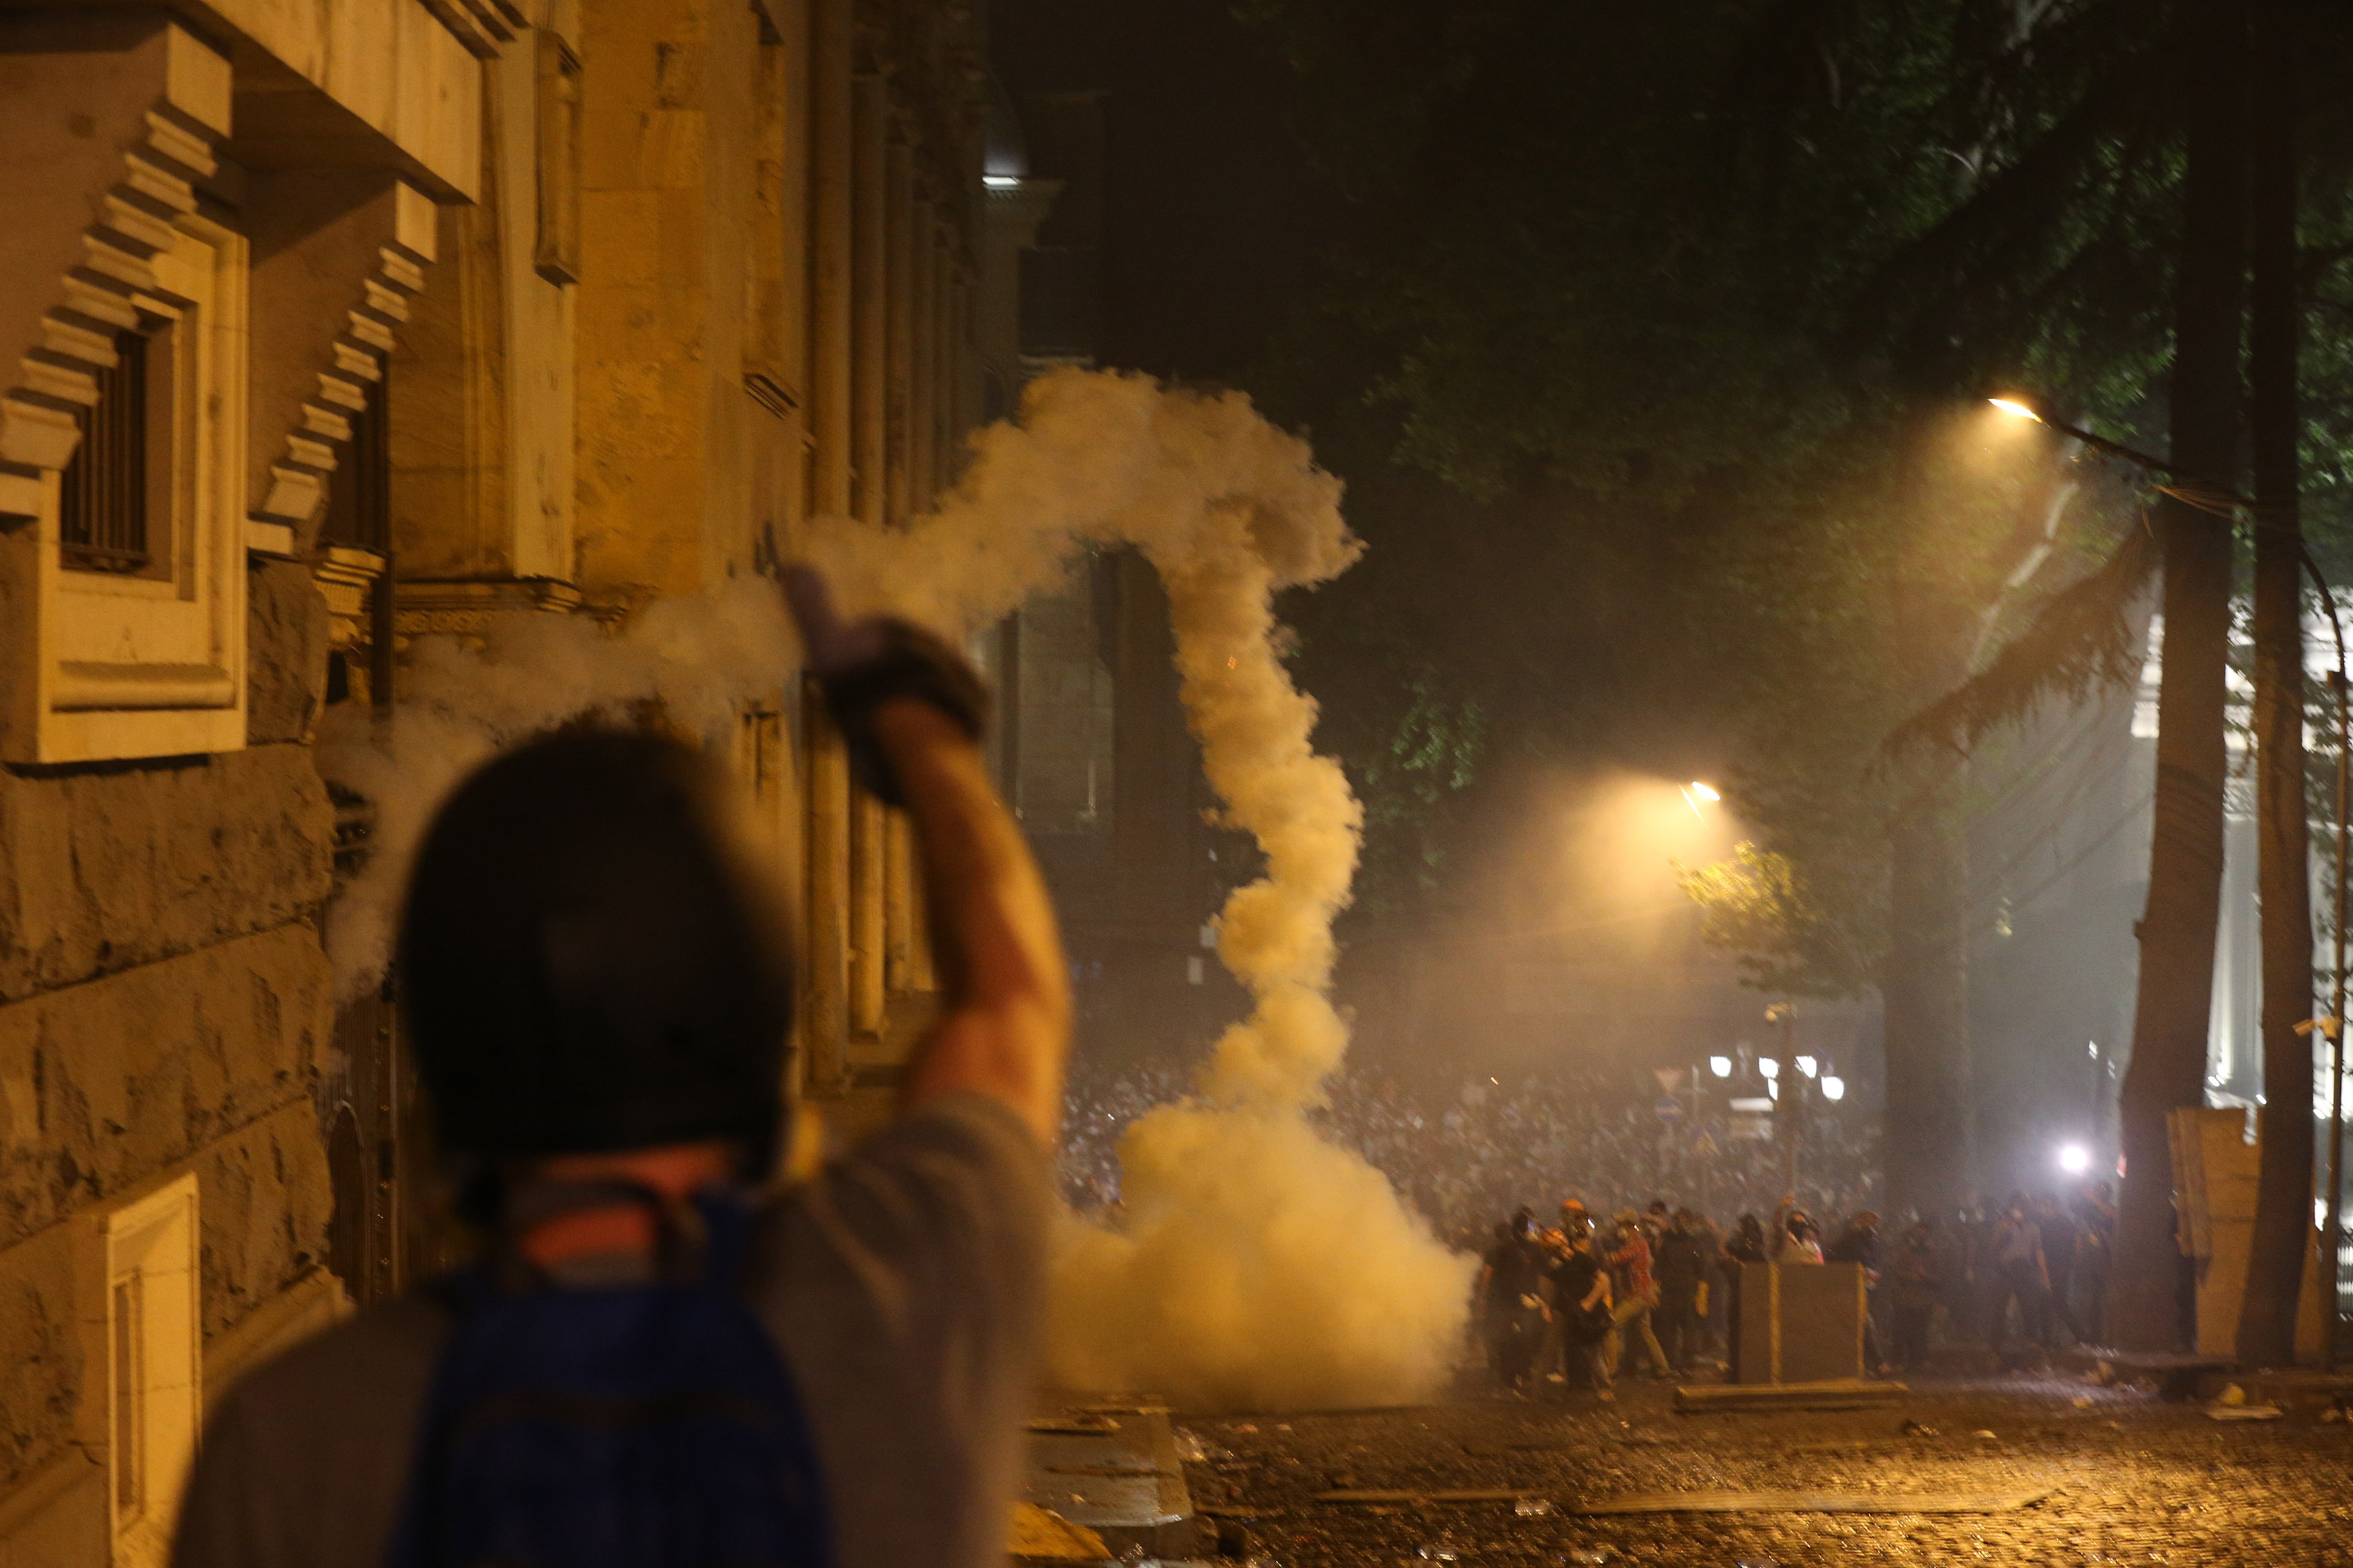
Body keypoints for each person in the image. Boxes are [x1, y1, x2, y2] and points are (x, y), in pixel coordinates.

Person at [172, 569, 1072, 1568]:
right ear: (754, 999)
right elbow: (1010, 1002)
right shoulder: (902, 1303)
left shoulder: (291, 1440)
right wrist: (920, 729)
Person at [1543, 1210, 1616, 1401]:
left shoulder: (1583, 1258)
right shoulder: (1558, 1266)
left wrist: (1591, 1302)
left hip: (1588, 1312)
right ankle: (1576, 1384)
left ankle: (1604, 1387)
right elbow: (1551, 1285)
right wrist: (1547, 1306)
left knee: (1593, 1352)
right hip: (1571, 1311)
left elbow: (1604, 1279)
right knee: (1570, 1349)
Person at [1475, 1210, 1550, 1393]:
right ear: (1521, 1228)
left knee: (1529, 1338)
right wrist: (1485, 1297)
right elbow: (1492, 1274)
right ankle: (1509, 1379)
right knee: (1510, 1340)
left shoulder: (1534, 1248)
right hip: (1508, 1302)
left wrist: (1541, 1300)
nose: (1533, 1230)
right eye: (1530, 1226)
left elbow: (1543, 1273)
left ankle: (1522, 1374)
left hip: (1529, 1302)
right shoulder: (1505, 1248)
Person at [1603, 1209, 1674, 1380]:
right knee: (1646, 1331)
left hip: (1639, 1296)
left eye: (1620, 1224)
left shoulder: (1636, 1242)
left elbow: (1617, 1259)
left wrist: (1601, 1255)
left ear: (1628, 1225)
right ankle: (1663, 1369)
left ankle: (1611, 1369)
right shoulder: (1637, 1242)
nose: (1618, 1227)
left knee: (1610, 1325)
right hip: (1644, 1294)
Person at [1989, 1198, 2051, 1358]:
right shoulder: (2005, 1224)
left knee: (2029, 1306)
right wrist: (2001, 1229)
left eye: (2022, 1207)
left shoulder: (2034, 1228)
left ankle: (2031, 1343)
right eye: (2016, 1206)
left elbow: (2038, 1251)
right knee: (2000, 1307)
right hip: (2006, 1269)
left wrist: (2044, 1274)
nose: (2019, 1210)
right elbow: (1993, 1245)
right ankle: (1995, 1346)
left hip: (2024, 1268)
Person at [1825, 1210, 1884, 1372]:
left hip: (1869, 1285)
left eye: (1874, 1220)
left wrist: (1874, 1272)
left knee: (1867, 1323)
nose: (1872, 1222)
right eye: (1868, 1219)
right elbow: (1837, 1257)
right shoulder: (1850, 1237)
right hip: (1850, 1285)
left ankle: (1870, 1363)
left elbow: (1875, 1260)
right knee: (1864, 1322)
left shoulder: (1874, 1239)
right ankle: (1877, 1362)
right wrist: (1859, 1271)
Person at [1651, 1208, 1706, 1374]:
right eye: (1679, 1220)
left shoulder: (1694, 1243)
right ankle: (1672, 1362)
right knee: (1669, 1329)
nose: (1681, 1223)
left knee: (1688, 1329)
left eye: (1684, 1220)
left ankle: (1686, 1364)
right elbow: (1659, 1266)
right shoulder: (1667, 1242)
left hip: (1687, 1291)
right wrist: (1656, 1288)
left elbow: (1701, 1270)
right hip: (1670, 1290)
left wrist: (1701, 1294)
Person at [1888, 1221, 1940, 1370]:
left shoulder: (1933, 1253)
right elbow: (1897, 1271)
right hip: (1905, 1296)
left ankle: (1919, 1361)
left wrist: (1924, 1277)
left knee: (1920, 1331)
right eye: (1919, 1230)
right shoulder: (1905, 1251)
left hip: (1924, 1297)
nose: (1921, 1233)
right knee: (1901, 1330)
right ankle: (1898, 1361)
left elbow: (1939, 1277)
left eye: (1924, 1231)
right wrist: (1910, 1276)